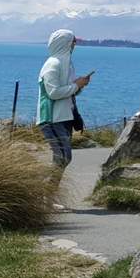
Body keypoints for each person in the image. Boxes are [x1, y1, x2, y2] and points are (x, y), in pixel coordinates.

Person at [37, 29, 90, 175]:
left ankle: (49, 192)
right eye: (73, 42)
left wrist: (80, 85)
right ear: (65, 43)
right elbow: (53, 93)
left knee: (63, 158)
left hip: (65, 116)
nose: (74, 45)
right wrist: (76, 85)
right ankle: (45, 190)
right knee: (62, 157)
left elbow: (69, 91)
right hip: (52, 117)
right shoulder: (52, 64)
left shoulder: (66, 64)